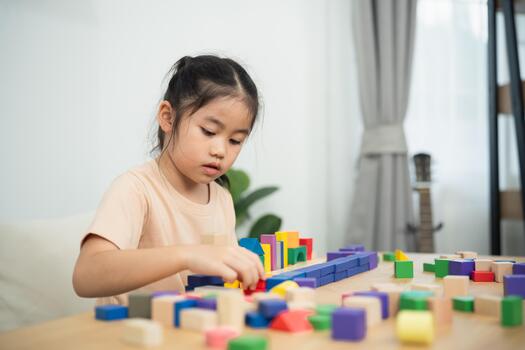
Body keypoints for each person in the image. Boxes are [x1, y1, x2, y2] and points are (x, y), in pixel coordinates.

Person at [72, 55, 265, 305]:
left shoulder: (222, 199)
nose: (220, 150)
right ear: (167, 117)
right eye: (208, 131)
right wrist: (188, 255)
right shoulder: (135, 189)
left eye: (235, 140)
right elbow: (86, 275)